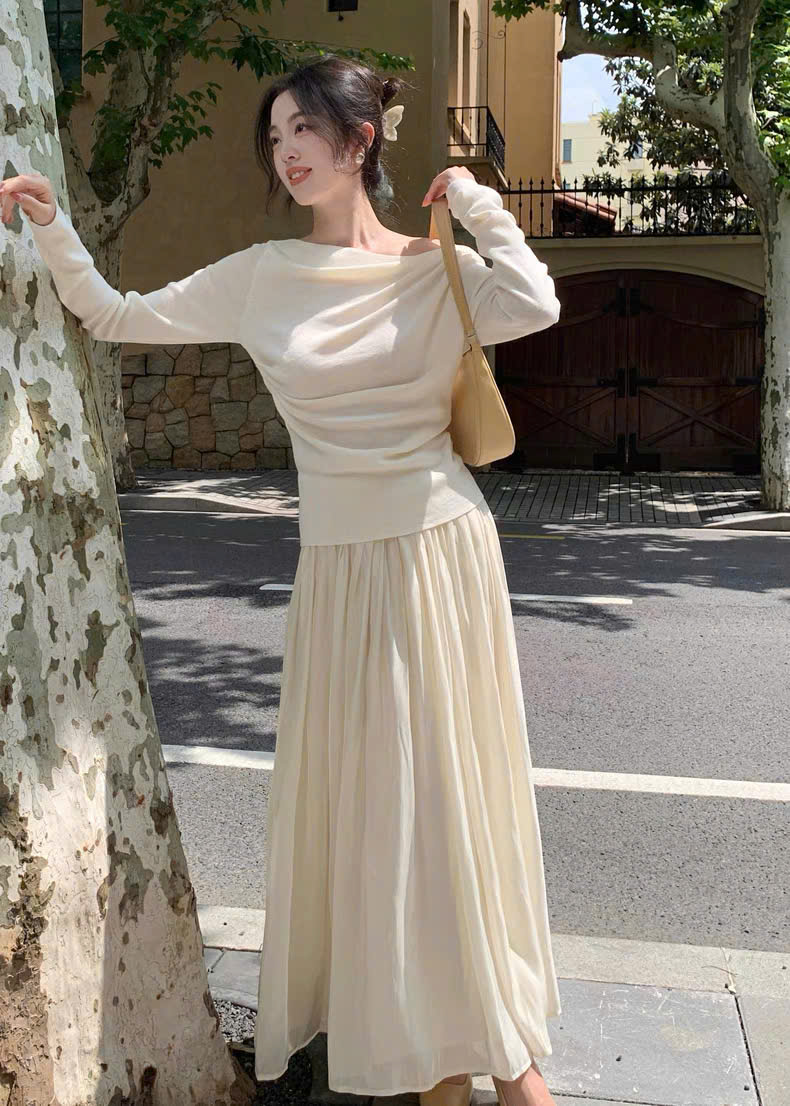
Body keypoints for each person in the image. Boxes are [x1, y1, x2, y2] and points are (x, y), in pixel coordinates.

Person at [1, 53, 562, 1106]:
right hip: (340, 570)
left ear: (361, 141)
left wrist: (477, 203)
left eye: (305, 128)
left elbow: (533, 304)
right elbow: (116, 314)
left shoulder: (431, 268)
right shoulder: (262, 275)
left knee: (448, 800)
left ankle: (507, 1062)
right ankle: (442, 1057)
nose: (287, 150)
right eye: (275, 136)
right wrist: (49, 222)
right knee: (382, 812)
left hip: (441, 551)